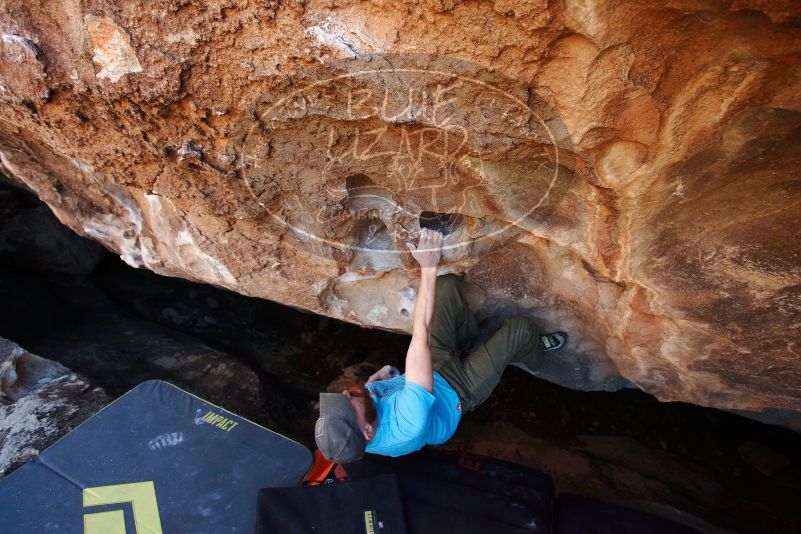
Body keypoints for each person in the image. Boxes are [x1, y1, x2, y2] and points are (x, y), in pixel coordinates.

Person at [314, 228, 567, 463]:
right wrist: (428, 266)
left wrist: (374, 379)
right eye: (347, 405)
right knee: (520, 330)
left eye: (340, 399)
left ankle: (473, 343)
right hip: (458, 390)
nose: (346, 394)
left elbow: (363, 395)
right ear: (368, 432)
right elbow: (420, 332)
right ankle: (535, 355)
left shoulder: (359, 422)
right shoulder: (407, 425)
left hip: (430, 374)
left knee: (448, 288)